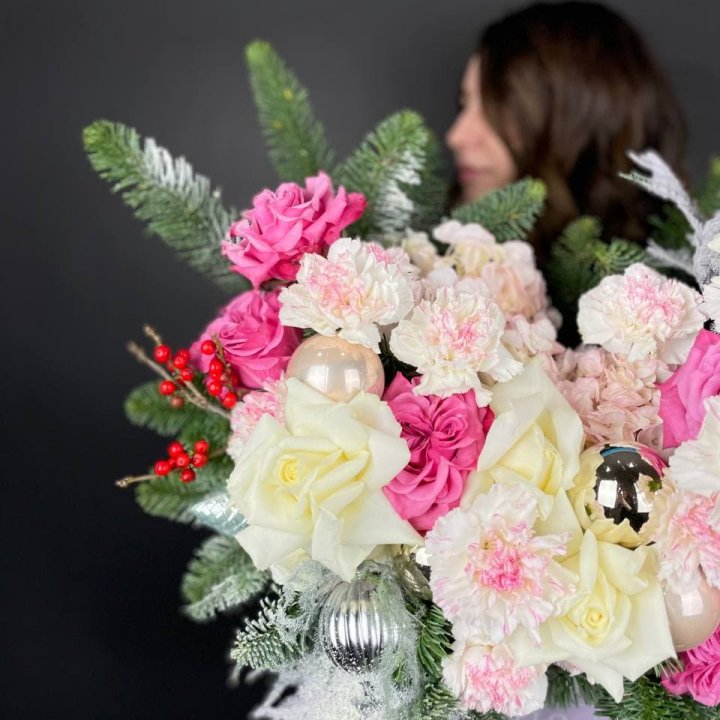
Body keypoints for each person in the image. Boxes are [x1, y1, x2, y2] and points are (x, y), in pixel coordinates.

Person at [446, 1, 687, 263]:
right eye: (464, 104)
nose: (456, 137)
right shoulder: (437, 265)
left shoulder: (690, 277)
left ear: (581, 120)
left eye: (499, 112)